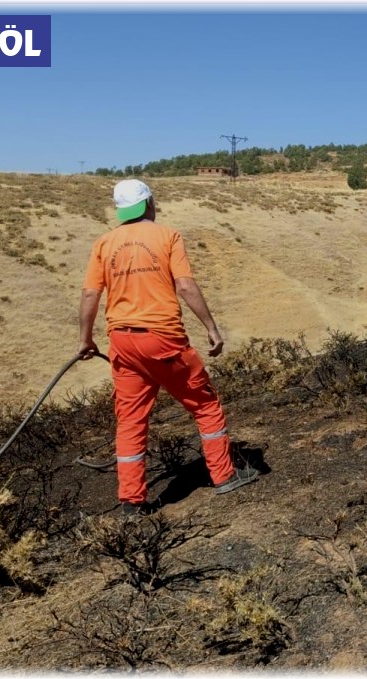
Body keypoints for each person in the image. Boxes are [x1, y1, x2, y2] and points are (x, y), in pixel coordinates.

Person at [78, 178, 258, 517]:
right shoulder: (167, 236)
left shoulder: (104, 243)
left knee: (130, 420)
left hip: (122, 341)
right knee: (205, 404)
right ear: (149, 203)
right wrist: (211, 328)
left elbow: (90, 294)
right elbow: (185, 286)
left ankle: (132, 502)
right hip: (163, 339)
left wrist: (86, 340)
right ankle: (223, 475)